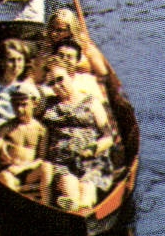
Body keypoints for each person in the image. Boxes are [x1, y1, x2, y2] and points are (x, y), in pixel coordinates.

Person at [41, 67, 117, 212]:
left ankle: (83, 206)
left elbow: (108, 136)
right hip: (63, 161)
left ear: (70, 76)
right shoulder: (49, 105)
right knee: (70, 191)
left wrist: (92, 150)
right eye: (51, 83)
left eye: (60, 79)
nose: (57, 85)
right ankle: (75, 206)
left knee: (86, 190)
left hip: (91, 159)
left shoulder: (91, 101)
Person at [0, 85, 48, 196]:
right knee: (6, 177)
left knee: (46, 167)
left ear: (34, 103)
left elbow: (41, 158)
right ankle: (17, 196)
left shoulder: (41, 130)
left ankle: (45, 201)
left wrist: (22, 168)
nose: (19, 109)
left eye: (24, 105)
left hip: (28, 172)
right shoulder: (7, 128)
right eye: (16, 105)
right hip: (9, 172)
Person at [29, 6, 110, 83]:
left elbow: (102, 74)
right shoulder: (46, 47)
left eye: (60, 30)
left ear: (71, 30)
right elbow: (36, 75)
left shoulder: (86, 48)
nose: (53, 33)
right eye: (52, 28)